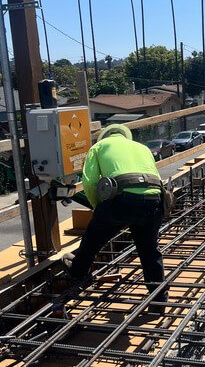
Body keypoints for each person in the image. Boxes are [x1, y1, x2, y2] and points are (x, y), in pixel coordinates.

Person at [66, 124, 167, 314]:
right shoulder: (142, 147)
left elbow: (90, 182)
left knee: (93, 239)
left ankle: (77, 274)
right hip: (154, 198)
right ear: (125, 136)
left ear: (104, 137)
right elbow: (155, 177)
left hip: (121, 198)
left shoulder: (98, 148)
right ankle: (159, 299)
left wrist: (99, 209)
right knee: (149, 250)